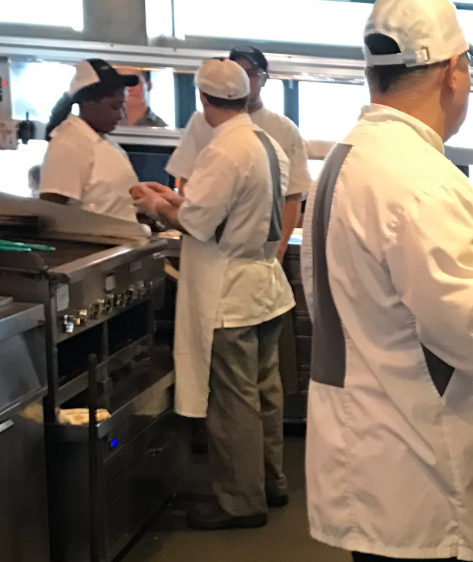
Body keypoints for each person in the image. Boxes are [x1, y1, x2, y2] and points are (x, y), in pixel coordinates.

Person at [301, 1, 473, 560]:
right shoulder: (423, 183)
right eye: (469, 70)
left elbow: (399, 301)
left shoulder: (347, 158)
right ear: (452, 70)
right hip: (425, 481)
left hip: (371, 453)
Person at [130, 58, 294, 531]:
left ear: (203, 100)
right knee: (264, 394)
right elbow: (228, 211)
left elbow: (200, 223)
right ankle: (269, 481)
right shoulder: (265, 144)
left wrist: (156, 204)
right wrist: (174, 198)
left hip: (229, 294)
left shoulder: (225, 149)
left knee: (233, 401)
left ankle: (242, 500)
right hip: (262, 287)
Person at [166, 46, 312, 261]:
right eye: (238, 72)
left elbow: (293, 196)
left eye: (251, 73)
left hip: (251, 250)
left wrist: (280, 250)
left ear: (265, 78)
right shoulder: (200, 123)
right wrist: (181, 210)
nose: (244, 79)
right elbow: (186, 183)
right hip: (205, 244)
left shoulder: (282, 129)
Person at [37, 59, 142, 222]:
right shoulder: (68, 144)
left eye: (122, 107)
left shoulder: (100, 140)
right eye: (114, 107)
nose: (120, 115)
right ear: (88, 103)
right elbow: (51, 213)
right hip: (93, 246)